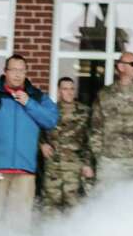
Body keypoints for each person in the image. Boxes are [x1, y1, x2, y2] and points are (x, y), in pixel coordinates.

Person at [0, 55, 58, 231]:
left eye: (21, 70)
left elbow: (51, 120)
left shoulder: (36, 97)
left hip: (25, 172)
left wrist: (29, 103)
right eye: (13, 70)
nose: (17, 74)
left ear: (26, 73)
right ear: (5, 72)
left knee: (19, 224)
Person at [89, 52, 133, 186]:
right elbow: (95, 127)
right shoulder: (105, 94)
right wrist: (99, 155)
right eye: (132, 64)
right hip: (111, 160)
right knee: (108, 201)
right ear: (121, 67)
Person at [39, 77, 93, 218]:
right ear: (58, 91)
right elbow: (37, 130)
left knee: (74, 209)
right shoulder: (50, 111)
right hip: (53, 168)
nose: (69, 92)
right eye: (65, 89)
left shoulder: (85, 112)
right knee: (50, 208)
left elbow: (90, 141)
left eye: (71, 89)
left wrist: (87, 164)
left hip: (74, 168)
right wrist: (41, 144)